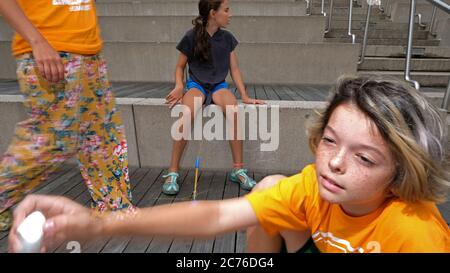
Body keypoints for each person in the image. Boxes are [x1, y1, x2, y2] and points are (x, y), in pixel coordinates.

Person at [8, 76, 450, 253]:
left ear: (401, 171)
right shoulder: (314, 184)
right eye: (330, 140)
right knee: (266, 190)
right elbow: (218, 213)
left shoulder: (416, 233)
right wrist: (101, 224)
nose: (334, 163)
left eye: (364, 158)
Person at [0, 0, 134, 232]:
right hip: (49, 49)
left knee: (103, 137)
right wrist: (37, 41)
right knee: (52, 139)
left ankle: (115, 210)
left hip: (89, 50)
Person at [162, 0, 265, 195]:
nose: (230, 14)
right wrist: (179, 85)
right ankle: (173, 171)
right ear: (212, 13)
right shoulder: (191, 36)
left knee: (234, 111)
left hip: (218, 86)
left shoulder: (227, 38)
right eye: (226, 10)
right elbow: (179, 67)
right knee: (186, 114)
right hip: (196, 85)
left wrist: (244, 96)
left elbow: (234, 69)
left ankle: (238, 169)